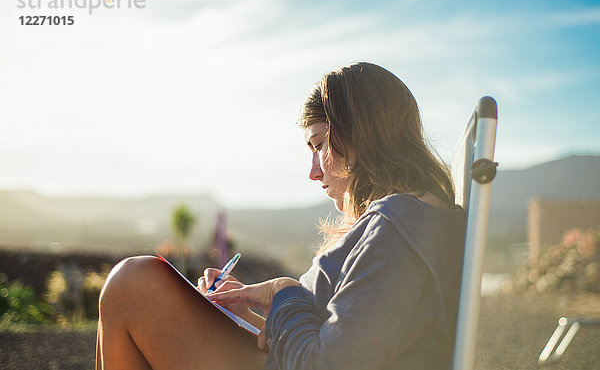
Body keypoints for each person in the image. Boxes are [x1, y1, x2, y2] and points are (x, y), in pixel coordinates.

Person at [95, 62, 466, 370]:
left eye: (319, 144)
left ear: (363, 137)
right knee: (137, 288)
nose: (313, 172)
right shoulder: (409, 223)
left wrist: (284, 292)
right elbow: (340, 337)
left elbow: (333, 363)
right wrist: (251, 312)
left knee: (133, 284)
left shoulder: (397, 227)